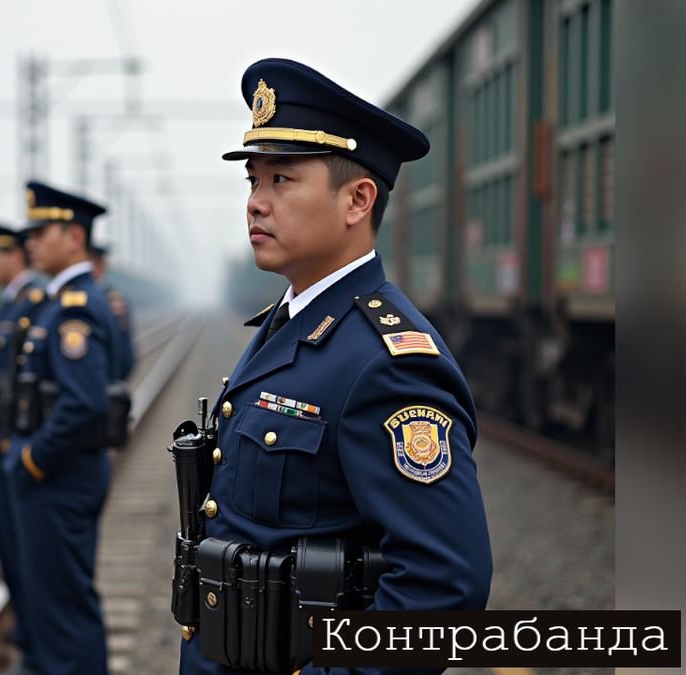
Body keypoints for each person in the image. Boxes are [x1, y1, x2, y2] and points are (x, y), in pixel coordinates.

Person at [177, 58, 492, 675]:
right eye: (252, 181)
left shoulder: (387, 364)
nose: (255, 204)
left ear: (357, 199)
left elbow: (443, 586)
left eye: (281, 180)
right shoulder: (289, 322)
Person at [2, 181, 115, 675]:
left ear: (73, 238)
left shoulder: (74, 306)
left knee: (64, 610)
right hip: (62, 476)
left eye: (40, 230)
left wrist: (33, 459)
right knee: (53, 606)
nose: (29, 240)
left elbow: (85, 401)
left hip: (60, 477)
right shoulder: (62, 299)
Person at [0, 221, 45, 674]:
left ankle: (36, 645)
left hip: (11, 436)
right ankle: (28, 636)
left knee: (23, 552)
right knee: (7, 546)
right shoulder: (10, 305)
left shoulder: (32, 305)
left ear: (17, 256)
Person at [88, 241, 135, 383]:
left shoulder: (114, 300)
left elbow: (123, 349)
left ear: (102, 266)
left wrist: (115, 381)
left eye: (92, 263)